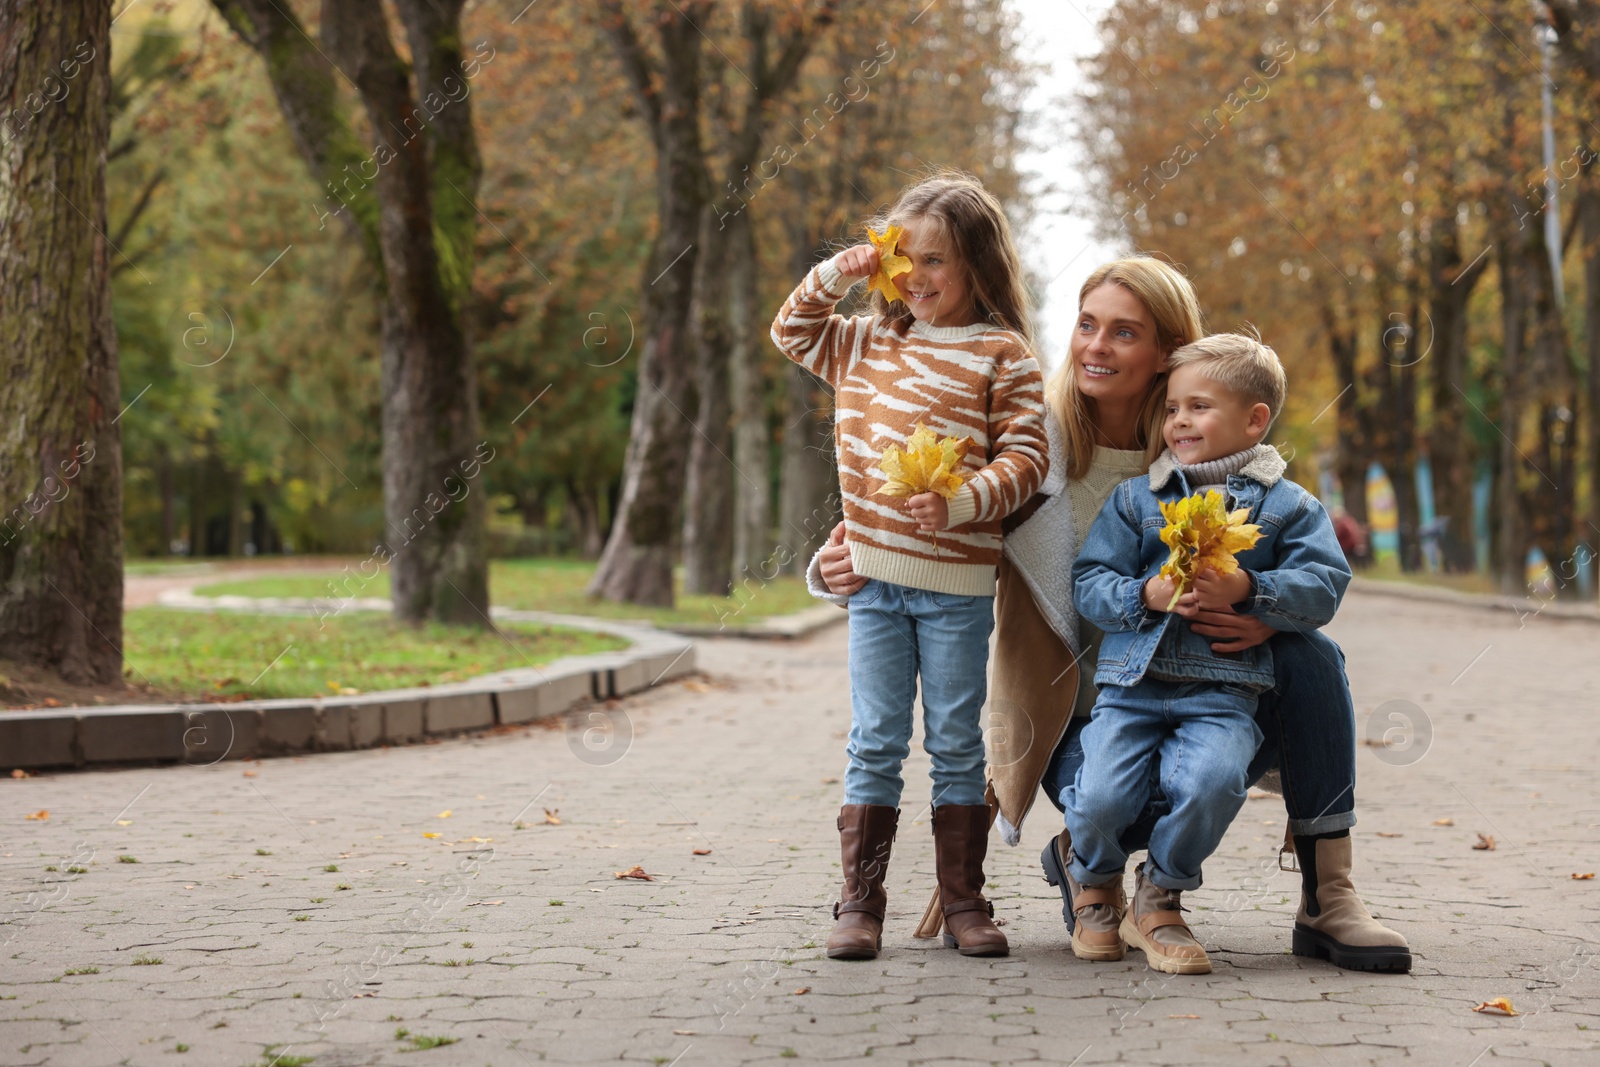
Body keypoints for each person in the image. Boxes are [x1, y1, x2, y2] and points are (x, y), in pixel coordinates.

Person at [811, 257, 1412, 974]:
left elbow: (1298, 559)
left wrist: (1264, 610)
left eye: (1123, 333)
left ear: (1167, 352)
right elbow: (929, 512)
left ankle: (1328, 896)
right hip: (1081, 712)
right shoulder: (1028, 447)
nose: (1095, 346)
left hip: (1201, 691)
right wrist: (840, 561)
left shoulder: (1204, 448)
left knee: (1313, 657)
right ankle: (1089, 865)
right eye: (1087, 325)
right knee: (1114, 792)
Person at [769, 172, 1049, 961]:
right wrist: (839, 271)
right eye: (905, 258)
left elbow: (1029, 458)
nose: (918, 277)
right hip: (876, 586)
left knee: (958, 740)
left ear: (979, 268)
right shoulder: (864, 341)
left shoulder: (1003, 354)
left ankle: (964, 898)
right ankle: (860, 902)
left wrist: (962, 502)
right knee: (876, 738)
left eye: (939, 260)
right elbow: (791, 330)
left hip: (957, 587)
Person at [1064, 334, 1351, 975]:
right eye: (1171, 408)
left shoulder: (1289, 507)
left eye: (1199, 407)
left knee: (1213, 783)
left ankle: (1161, 894)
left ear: (1254, 419)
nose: (1179, 422)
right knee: (1104, 792)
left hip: (1223, 691)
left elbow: (1326, 583)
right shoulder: (1137, 500)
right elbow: (1089, 581)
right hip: (1132, 687)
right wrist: (1147, 592)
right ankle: (1092, 882)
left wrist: (1254, 590)